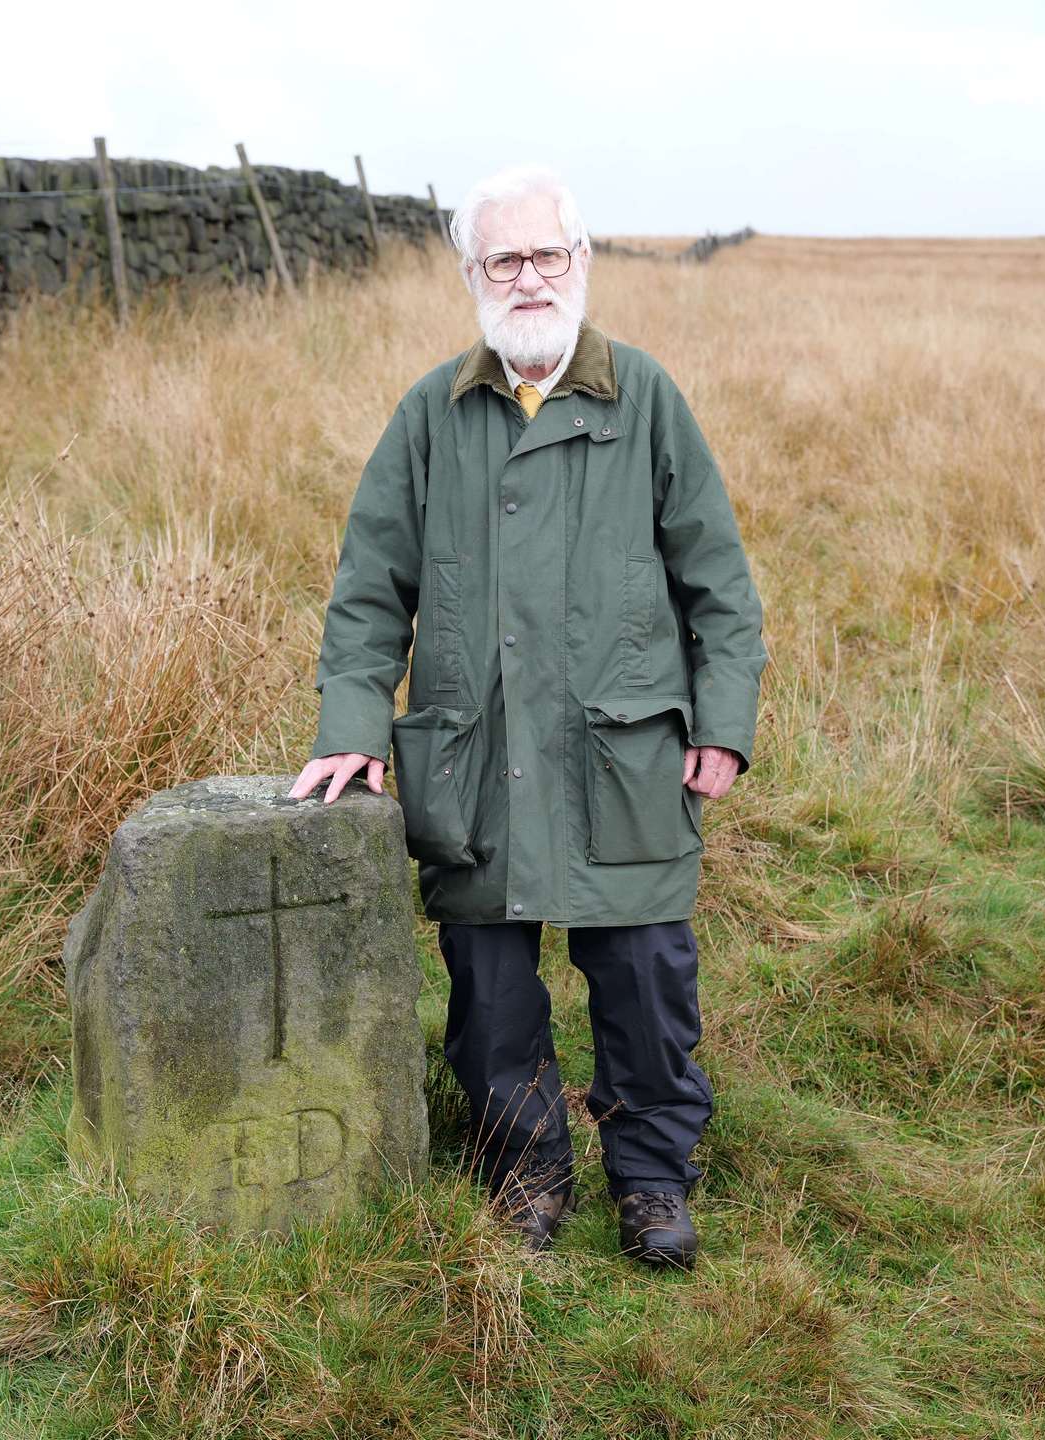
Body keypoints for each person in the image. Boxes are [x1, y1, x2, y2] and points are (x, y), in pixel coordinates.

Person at [287, 164, 766, 1268]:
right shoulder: (431, 413)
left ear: (581, 263)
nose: (529, 277)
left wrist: (723, 722)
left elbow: (720, 588)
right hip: (476, 756)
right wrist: (352, 724)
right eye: (503, 259)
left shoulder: (643, 398)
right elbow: (369, 590)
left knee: (646, 979)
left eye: (547, 254)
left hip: (624, 756)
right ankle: (526, 1172)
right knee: (491, 992)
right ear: (471, 276)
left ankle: (651, 1177)